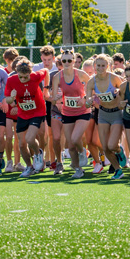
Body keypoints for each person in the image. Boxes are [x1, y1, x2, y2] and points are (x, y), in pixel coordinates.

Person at [50, 49, 91, 178]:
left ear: (74, 61)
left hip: (83, 111)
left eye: (69, 60)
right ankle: (78, 169)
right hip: (67, 113)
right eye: (64, 60)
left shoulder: (81, 74)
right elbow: (54, 97)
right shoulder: (57, 77)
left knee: (74, 138)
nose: (66, 63)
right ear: (61, 61)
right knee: (70, 145)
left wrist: (84, 99)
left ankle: (83, 151)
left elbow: (91, 89)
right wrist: (56, 98)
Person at [4, 58, 49, 178]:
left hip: (37, 112)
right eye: (21, 77)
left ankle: (38, 153)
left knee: (30, 139)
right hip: (23, 113)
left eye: (26, 77)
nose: (23, 80)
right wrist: (11, 98)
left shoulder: (36, 76)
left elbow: (46, 71)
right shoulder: (11, 80)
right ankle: (29, 167)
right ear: (17, 73)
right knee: (22, 144)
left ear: (30, 73)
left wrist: (46, 89)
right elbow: (7, 99)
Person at [86, 54, 126, 179]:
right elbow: (87, 97)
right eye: (98, 65)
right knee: (105, 146)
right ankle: (118, 170)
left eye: (103, 66)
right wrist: (89, 100)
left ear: (108, 66)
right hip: (103, 114)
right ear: (94, 66)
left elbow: (125, 90)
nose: (101, 68)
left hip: (116, 114)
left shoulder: (114, 78)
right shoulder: (92, 81)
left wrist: (120, 94)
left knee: (112, 145)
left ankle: (120, 151)